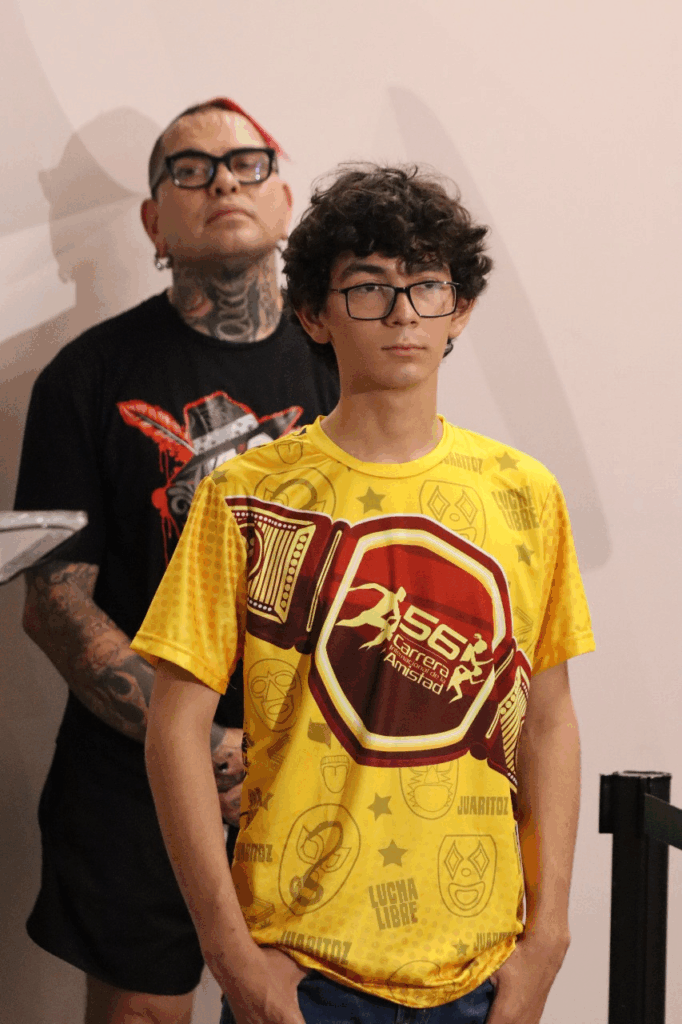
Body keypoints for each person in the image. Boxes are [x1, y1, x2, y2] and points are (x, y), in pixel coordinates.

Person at [132, 164, 595, 1024]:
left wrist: (550, 937)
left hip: (479, 970)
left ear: (460, 308)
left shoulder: (525, 493)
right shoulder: (246, 494)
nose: (402, 313)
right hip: (299, 970)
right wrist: (229, 954)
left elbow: (549, 716)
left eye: (427, 285)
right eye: (370, 288)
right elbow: (175, 724)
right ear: (315, 313)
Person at [15, 97, 339, 1024]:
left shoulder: (349, 364)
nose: (223, 181)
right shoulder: (82, 377)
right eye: (189, 170)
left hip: (319, 766)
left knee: (309, 1011)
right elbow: (53, 603)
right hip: (134, 778)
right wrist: (198, 744)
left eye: (246, 162)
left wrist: (279, 747)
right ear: (155, 222)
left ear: (283, 201)